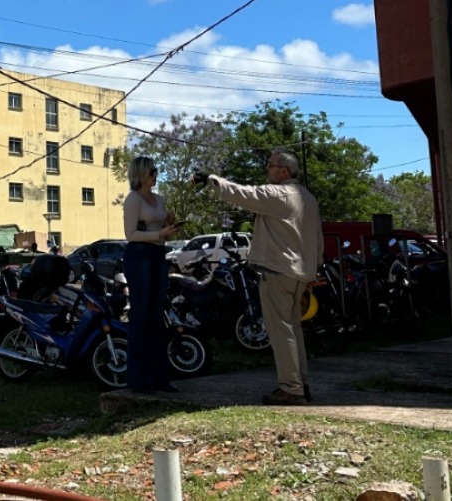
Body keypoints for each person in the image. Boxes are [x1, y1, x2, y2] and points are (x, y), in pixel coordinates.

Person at [193, 148, 323, 406]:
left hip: (278, 271)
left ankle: (291, 388)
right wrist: (314, 268)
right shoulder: (308, 198)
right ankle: (301, 383)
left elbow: (243, 195)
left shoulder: (278, 195)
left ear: (283, 171)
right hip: (301, 273)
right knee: (294, 330)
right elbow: (317, 238)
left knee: (280, 331)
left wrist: (211, 179)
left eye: (271, 165)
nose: (267, 169)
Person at [122, 155, 179, 394]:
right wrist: (158, 235)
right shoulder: (133, 199)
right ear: (142, 174)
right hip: (139, 256)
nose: (156, 175)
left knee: (157, 316)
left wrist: (169, 226)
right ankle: (138, 379)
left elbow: (160, 229)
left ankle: (160, 378)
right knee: (141, 315)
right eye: (153, 171)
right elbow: (130, 234)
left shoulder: (159, 199)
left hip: (158, 254)